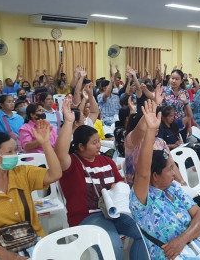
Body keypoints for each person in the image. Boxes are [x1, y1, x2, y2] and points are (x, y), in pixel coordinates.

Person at [54, 99, 148, 260]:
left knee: (145, 232)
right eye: (94, 143)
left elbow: (119, 182)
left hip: (113, 213)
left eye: (99, 141)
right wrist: (68, 122)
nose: (99, 146)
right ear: (81, 147)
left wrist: (117, 188)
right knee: (111, 244)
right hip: (87, 217)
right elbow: (59, 154)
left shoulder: (106, 161)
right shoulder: (73, 164)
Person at [130, 100, 200, 260]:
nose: (174, 174)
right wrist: (151, 131)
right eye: (169, 169)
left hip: (193, 250)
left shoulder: (173, 188)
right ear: (155, 176)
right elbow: (143, 173)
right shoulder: (143, 199)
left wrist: (182, 240)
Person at [0, 120, 62, 259]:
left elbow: (55, 174)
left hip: (31, 241)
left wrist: (45, 143)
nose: (15, 155)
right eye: (9, 151)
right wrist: (9, 256)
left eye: (16, 150)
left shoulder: (22, 173)